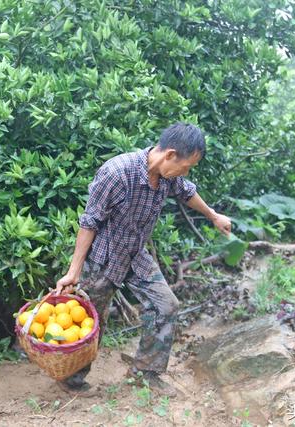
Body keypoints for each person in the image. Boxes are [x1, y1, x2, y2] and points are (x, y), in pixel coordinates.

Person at [55, 123, 231, 397]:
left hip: (136, 254)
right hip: (103, 258)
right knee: (90, 322)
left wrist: (213, 215)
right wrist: (73, 272)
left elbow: (187, 192)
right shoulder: (116, 173)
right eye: (186, 166)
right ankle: (71, 379)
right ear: (170, 154)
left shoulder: (169, 176)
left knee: (166, 305)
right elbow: (89, 223)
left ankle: (144, 374)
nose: (185, 172)